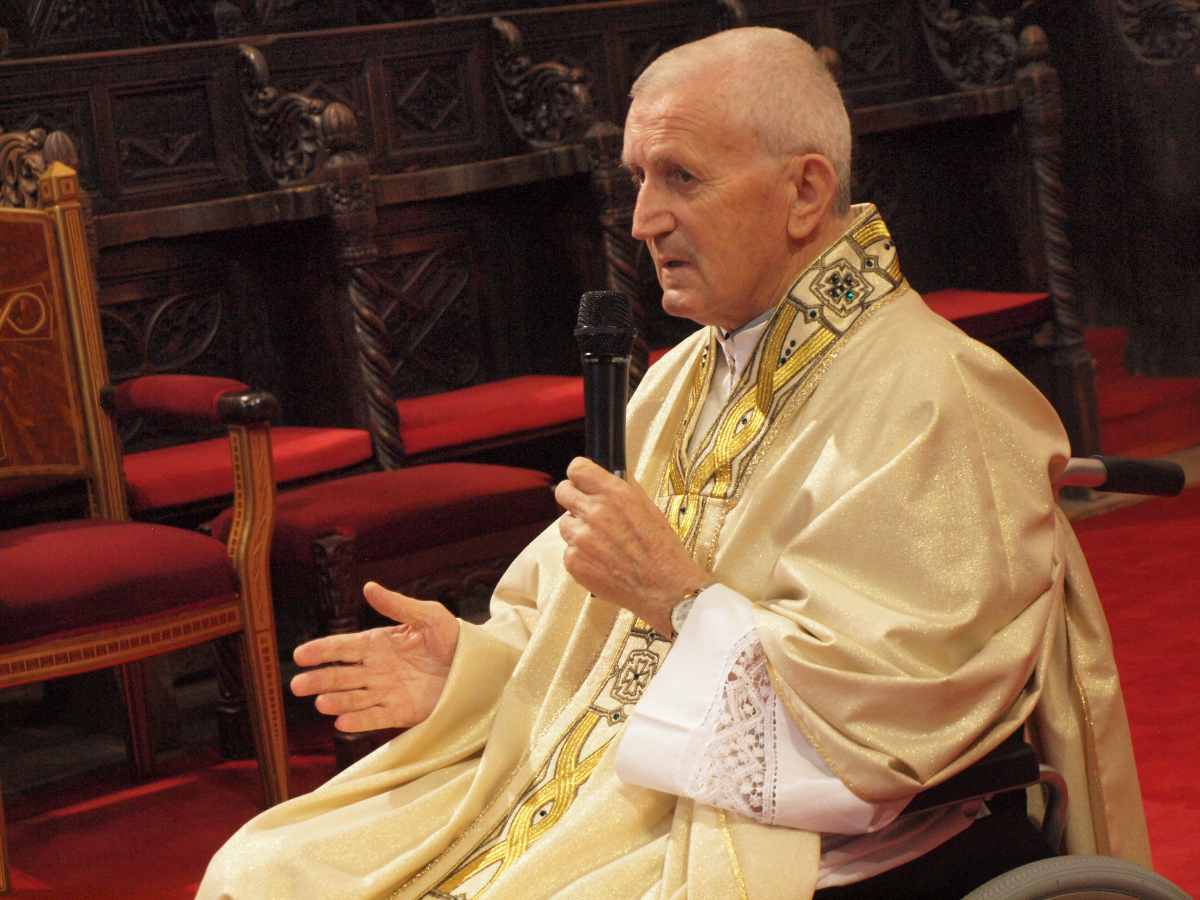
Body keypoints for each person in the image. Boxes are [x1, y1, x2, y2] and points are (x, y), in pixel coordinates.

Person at [197, 27, 1151, 900]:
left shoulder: (938, 396)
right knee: (266, 869)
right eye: (638, 178)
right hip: (609, 781)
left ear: (806, 192)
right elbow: (568, 625)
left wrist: (683, 602)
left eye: (682, 177)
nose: (643, 218)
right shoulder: (679, 380)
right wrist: (472, 665)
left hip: (768, 820)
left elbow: (899, 711)